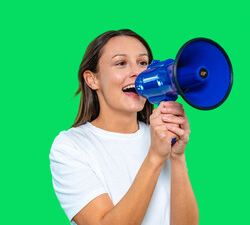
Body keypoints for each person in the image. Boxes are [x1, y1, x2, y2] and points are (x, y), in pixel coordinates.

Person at [49, 29, 199, 225]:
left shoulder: (159, 137)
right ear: (92, 79)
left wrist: (177, 157)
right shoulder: (70, 146)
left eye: (143, 63)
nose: (137, 73)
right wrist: (154, 157)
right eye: (121, 63)